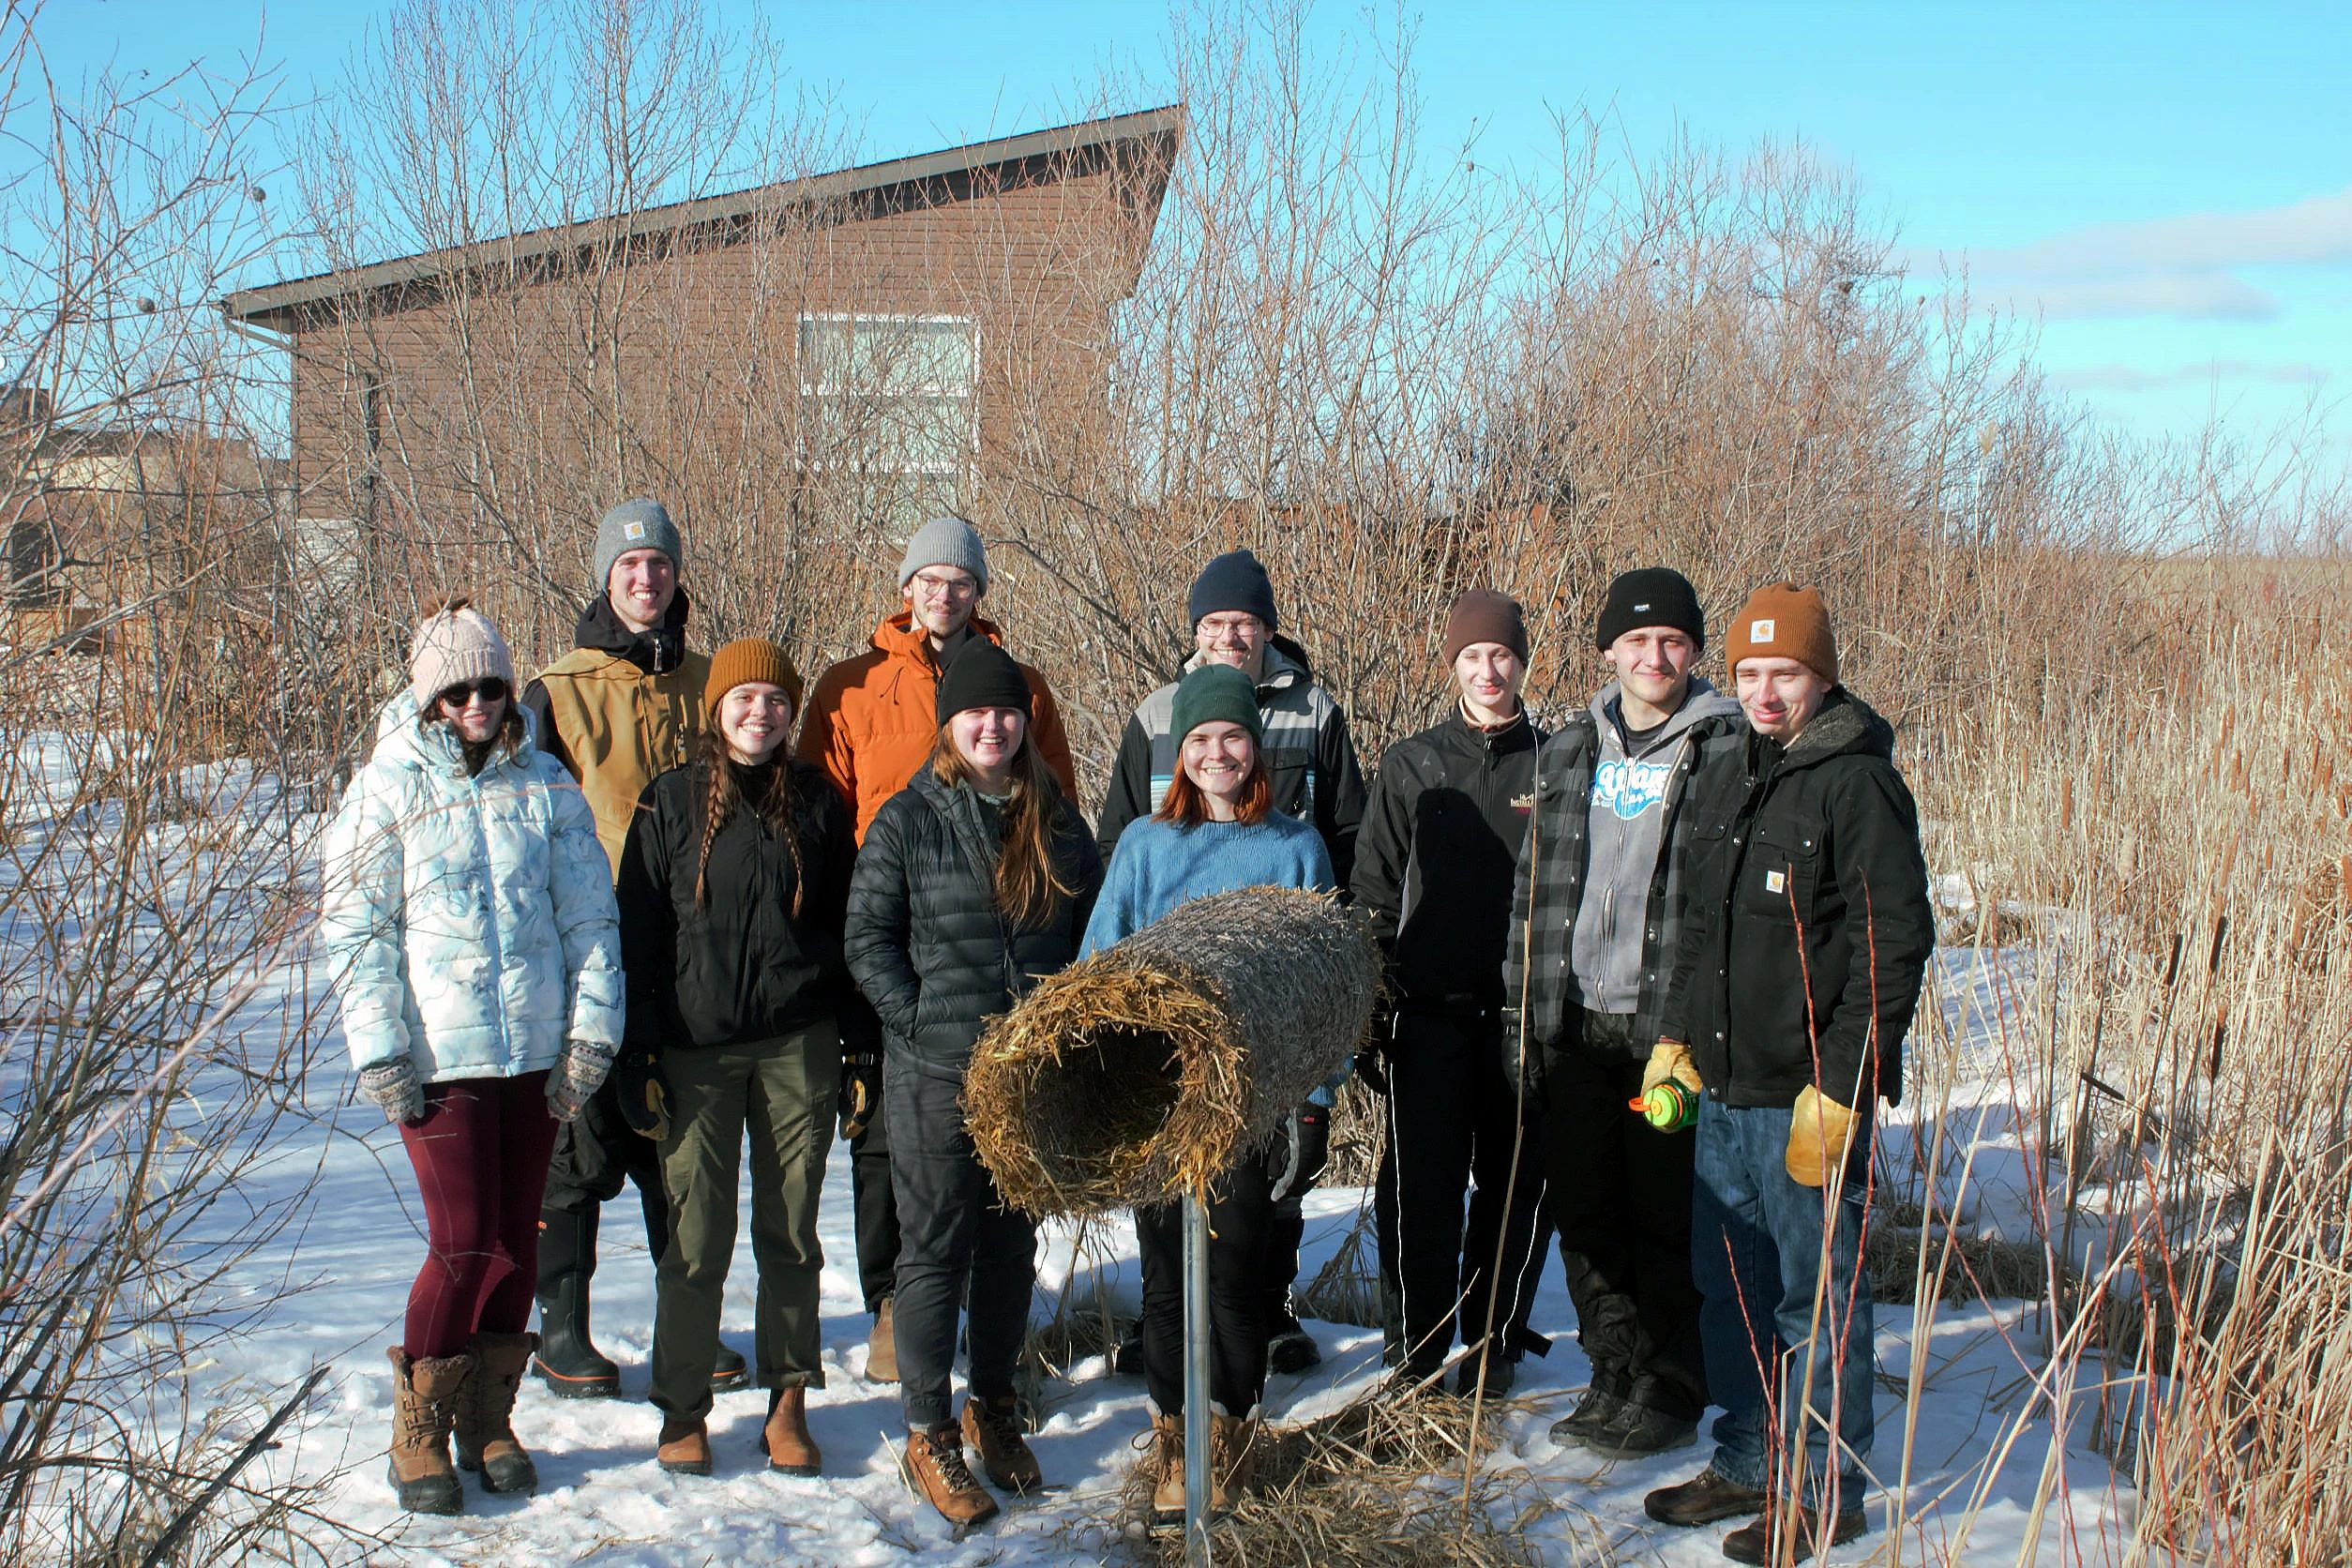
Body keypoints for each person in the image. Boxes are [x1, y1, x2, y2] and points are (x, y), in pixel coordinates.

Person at [1639, 583, 1935, 1564]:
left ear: (1823, 676)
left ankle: (1825, 1487)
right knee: (1730, 1289)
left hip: (1803, 1094)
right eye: (1752, 672)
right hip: (1720, 1093)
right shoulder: (1724, 765)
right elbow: (1696, 926)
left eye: (1788, 673)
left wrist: (1845, 1081)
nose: (1766, 692)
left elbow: (1894, 946)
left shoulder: (1858, 785)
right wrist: (1674, 1038)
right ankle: (1747, 1456)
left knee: (1817, 1299)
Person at [321, 598, 624, 1515]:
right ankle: (418, 1424)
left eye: (491, 684)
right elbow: (355, 927)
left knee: (517, 1246)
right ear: (429, 697)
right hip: (440, 1064)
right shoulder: (386, 789)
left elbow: (590, 919)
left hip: (533, 1059)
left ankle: (487, 1417)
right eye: (458, 690)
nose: (479, 703)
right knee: (462, 1245)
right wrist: (380, 1050)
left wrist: (592, 1033)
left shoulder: (547, 785)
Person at [800, 516, 1078, 1385]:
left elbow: (1059, 813)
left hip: (998, 961)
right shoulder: (852, 687)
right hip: (888, 946)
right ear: (906, 588)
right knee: (886, 1138)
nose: (943, 593)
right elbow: (818, 815)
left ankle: (988, 1346)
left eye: (960, 581)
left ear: (979, 593)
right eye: (929, 578)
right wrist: (880, 977)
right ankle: (893, 1302)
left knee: (1000, 1180)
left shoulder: (1020, 686)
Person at [844, 639, 1103, 1528]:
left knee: (1007, 1250)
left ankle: (991, 1406)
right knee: (935, 1251)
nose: (992, 725)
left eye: (1006, 711)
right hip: (935, 1076)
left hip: (1029, 1077)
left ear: (1024, 722)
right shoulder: (908, 819)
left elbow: (1092, 939)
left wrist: (1064, 1033)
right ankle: (927, 1432)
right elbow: (866, 939)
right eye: (975, 711)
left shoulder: (1058, 820)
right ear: (950, 722)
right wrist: (917, 1024)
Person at [1096, 548, 1366, 1375]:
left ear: (1267, 629)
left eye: (1242, 622)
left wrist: (1318, 1090)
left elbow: (1331, 938)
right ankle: (1173, 1406)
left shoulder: (1301, 813)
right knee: (1172, 1247)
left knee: (1243, 1245)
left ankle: (1239, 1403)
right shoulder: (1147, 805)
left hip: (1263, 1075)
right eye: (1213, 623)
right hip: (1164, 1071)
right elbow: (1106, 935)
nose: (1228, 635)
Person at [1081, 663, 1336, 1529]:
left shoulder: (1295, 846)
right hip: (1159, 1095)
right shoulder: (1147, 847)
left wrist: (1314, 1100)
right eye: (1199, 741)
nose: (1217, 753)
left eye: (1231, 738)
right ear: (1179, 754)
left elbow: (1325, 985)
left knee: (1232, 1268)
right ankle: (1174, 1433)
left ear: (1255, 748)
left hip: (1254, 1098)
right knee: (1163, 1274)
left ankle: (1226, 1426)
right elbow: (1098, 963)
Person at [1501, 568, 1744, 1460]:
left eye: (1673, 641)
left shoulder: (1721, 749)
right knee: (1588, 1210)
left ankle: (1670, 1385)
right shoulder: (1570, 751)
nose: (1655, 656)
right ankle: (1612, 1370)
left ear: (1693, 651)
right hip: (1573, 1025)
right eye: (1637, 642)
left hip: (1662, 1034)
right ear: (1609, 650)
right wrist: (1522, 1025)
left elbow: (1714, 909)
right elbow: (1532, 900)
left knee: (1662, 1213)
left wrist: (1688, 1032)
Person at [614, 640, 865, 1478]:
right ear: (716, 711)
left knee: (789, 1231)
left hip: (799, 1042)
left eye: (776, 700)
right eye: (744, 699)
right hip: (696, 1049)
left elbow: (852, 932)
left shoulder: (821, 805)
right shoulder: (669, 804)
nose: (761, 713)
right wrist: (639, 1047)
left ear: (794, 714)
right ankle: (684, 1406)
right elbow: (640, 936)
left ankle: (788, 1399)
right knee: (697, 1235)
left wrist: (857, 1042)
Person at [520, 498, 748, 1398]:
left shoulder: (710, 683)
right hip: (589, 949)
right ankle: (562, 1332)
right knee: (578, 1144)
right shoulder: (558, 689)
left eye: (659, 564)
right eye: (628, 567)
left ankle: (686, 1324)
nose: (646, 579)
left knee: (675, 1143)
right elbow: (526, 821)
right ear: (605, 578)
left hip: (686, 951)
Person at [1352, 590, 1549, 1398]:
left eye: (1501, 655)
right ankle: (1416, 1351)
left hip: (1523, 1017)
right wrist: (1369, 1012)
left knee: (1513, 1190)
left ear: (1522, 662)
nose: (1488, 670)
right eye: (1472, 656)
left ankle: (1490, 1341)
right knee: (1418, 1194)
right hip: (1427, 1016)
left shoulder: (1559, 760)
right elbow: (1371, 892)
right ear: (1453, 666)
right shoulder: (1412, 763)